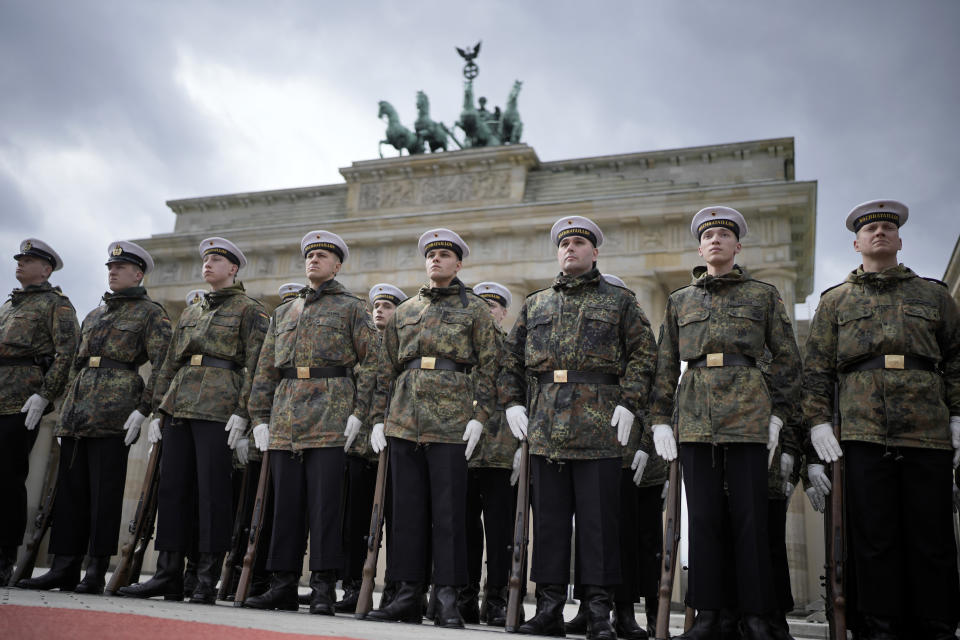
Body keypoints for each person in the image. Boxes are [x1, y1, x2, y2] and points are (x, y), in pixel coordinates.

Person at [802, 199, 960, 639]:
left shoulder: (934, 295)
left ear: (899, 239)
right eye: (870, 229)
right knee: (873, 537)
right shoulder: (835, 301)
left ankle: (936, 625)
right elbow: (816, 371)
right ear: (856, 243)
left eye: (887, 227)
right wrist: (817, 424)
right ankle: (878, 625)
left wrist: (959, 416)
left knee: (931, 535)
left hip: (926, 428)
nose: (880, 233)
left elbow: (956, 359)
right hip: (861, 430)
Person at [501, 216, 657, 639]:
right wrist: (514, 404)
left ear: (594, 252)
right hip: (547, 427)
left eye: (578, 243)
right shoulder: (536, 304)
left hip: (600, 428)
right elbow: (509, 363)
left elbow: (645, 355)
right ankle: (549, 608)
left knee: (598, 526)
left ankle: (599, 613)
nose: (570, 248)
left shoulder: (620, 301)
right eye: (564, 243)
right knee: (549, 524)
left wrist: (630, 403)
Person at [650, 206, 801, 640]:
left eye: (724, 235)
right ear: (699, 247)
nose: (715, 240)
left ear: (738, 246)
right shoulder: (680, 300)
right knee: (704, 518)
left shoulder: (762, 294)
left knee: (751, 520)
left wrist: (777, 415)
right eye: (708, 235)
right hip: (696, 416)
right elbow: (664, 365)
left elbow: (789, 360)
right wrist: (660, 419)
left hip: (749, 414)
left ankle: (755, 617)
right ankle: (710, 615)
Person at [118, 237, 268, 603]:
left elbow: (256, 364)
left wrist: (244, 413)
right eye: (206, 259)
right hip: (180, 406)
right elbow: (169, 363)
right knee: (173, 491)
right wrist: (158, 410)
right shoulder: (192, 311)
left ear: (233, 268)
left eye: (216, 260)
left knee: (212, 494)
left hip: (219, 408)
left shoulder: (251, 310)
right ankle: (168, 573)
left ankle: (204, 577)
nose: (208, 265)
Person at [16, 241, 171, 594]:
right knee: (70, 493)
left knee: (105, 495)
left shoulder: (151, 313)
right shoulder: (95, 315)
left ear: (138, 274)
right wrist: (65, 406)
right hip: (78, 412)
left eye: (120, 268)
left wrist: (146, 409)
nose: (112, 272)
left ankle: (95, 570)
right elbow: (74, 366)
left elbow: (163, 365)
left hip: (115, 412)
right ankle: (64, 566)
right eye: (110, 268)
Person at [366, 228, 500, 628]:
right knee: (406, 513)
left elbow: (492, 366)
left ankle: (447, 597)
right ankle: (406, 593)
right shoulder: (405, 310)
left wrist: (480, 415)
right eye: (431, 254)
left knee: (450, 515)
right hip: (404, 420)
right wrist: (377, 418)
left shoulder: (474, 309)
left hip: (451, 422)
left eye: (444, 254)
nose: (436, 259)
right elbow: (383, 369)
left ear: (459, 264)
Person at [243, 231, 376, 614]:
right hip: (286, 417)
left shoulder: (351, 308)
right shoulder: (284, 313)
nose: (314, 260)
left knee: (325, 507)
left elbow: (371, 364)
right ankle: (283, 583)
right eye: (310, 255)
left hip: (331, 415)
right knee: (285, 506)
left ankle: (322, 588)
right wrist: (259, 416)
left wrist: (359, 413)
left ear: (337, 265)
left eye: (322, 256)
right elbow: (266, 368)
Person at [0, 239, 79, 585]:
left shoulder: (56, 305)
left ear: (46, 269)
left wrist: (45, 395)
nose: (20, 263)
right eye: (19, 258)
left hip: (22, 401)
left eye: (28, 260)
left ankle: (3, 555)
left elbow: (67, 352)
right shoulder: (8, 305)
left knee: (7, 478)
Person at [336, 282, 407, 613]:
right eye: (376, 306)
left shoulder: (402, 347)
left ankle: (394, 588)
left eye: (388, 307)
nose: (380, 311)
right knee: (354, 524)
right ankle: (352, 586)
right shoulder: (357, 349)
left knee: (396, 523)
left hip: (391, 448)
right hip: (358, 447)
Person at [460, 281, 521, 626]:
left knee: (501, 534)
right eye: (481, 306)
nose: (488, 312)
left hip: (501, 451)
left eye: (494, 307)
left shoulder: (514, 349)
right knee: (465, 530)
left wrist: (522, 449)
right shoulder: (461, 347)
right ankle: (465, 596)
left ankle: (497, 598)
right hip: (464, 453)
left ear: (504, 313)